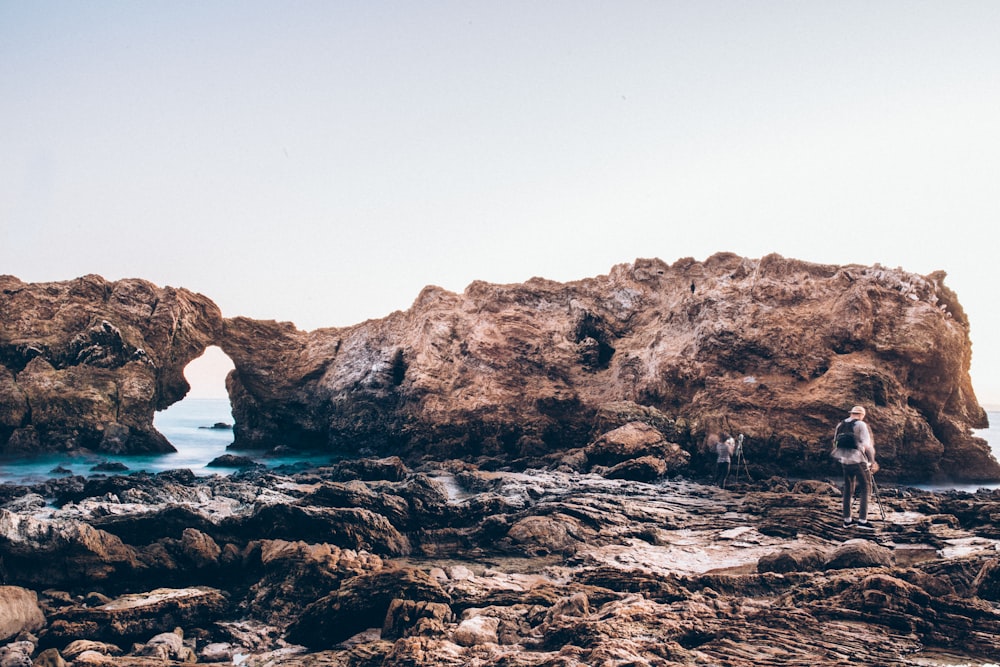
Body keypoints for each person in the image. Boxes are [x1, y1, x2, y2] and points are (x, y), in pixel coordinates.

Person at [831, 405, 878, 529]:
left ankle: (847, 521)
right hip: (858, 461)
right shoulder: (861, 425)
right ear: (862, 415)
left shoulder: (840, 424)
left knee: (848, 489)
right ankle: (862, 521)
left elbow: (835, 442)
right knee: (865, 488)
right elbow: (867, 446)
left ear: (851, 413)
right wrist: (872, 461)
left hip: (844, 461)